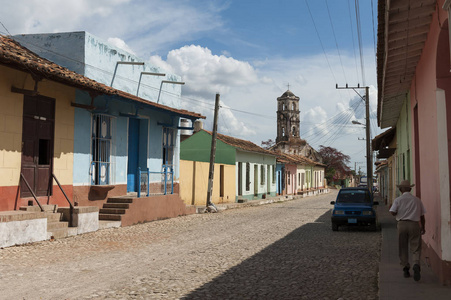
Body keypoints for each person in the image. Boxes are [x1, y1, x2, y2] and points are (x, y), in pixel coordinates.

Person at [389, 180, 426, 281]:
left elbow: (392, 212)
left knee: (403, 246)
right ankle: (416, 263)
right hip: (414, 224)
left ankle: (405, 267)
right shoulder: (417, 200)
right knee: (416, 246)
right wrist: (423, 226)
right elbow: (422, 215)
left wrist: (397, 213)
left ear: (401, 190)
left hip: (402, 224)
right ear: (410, 189)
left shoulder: (398, 200)